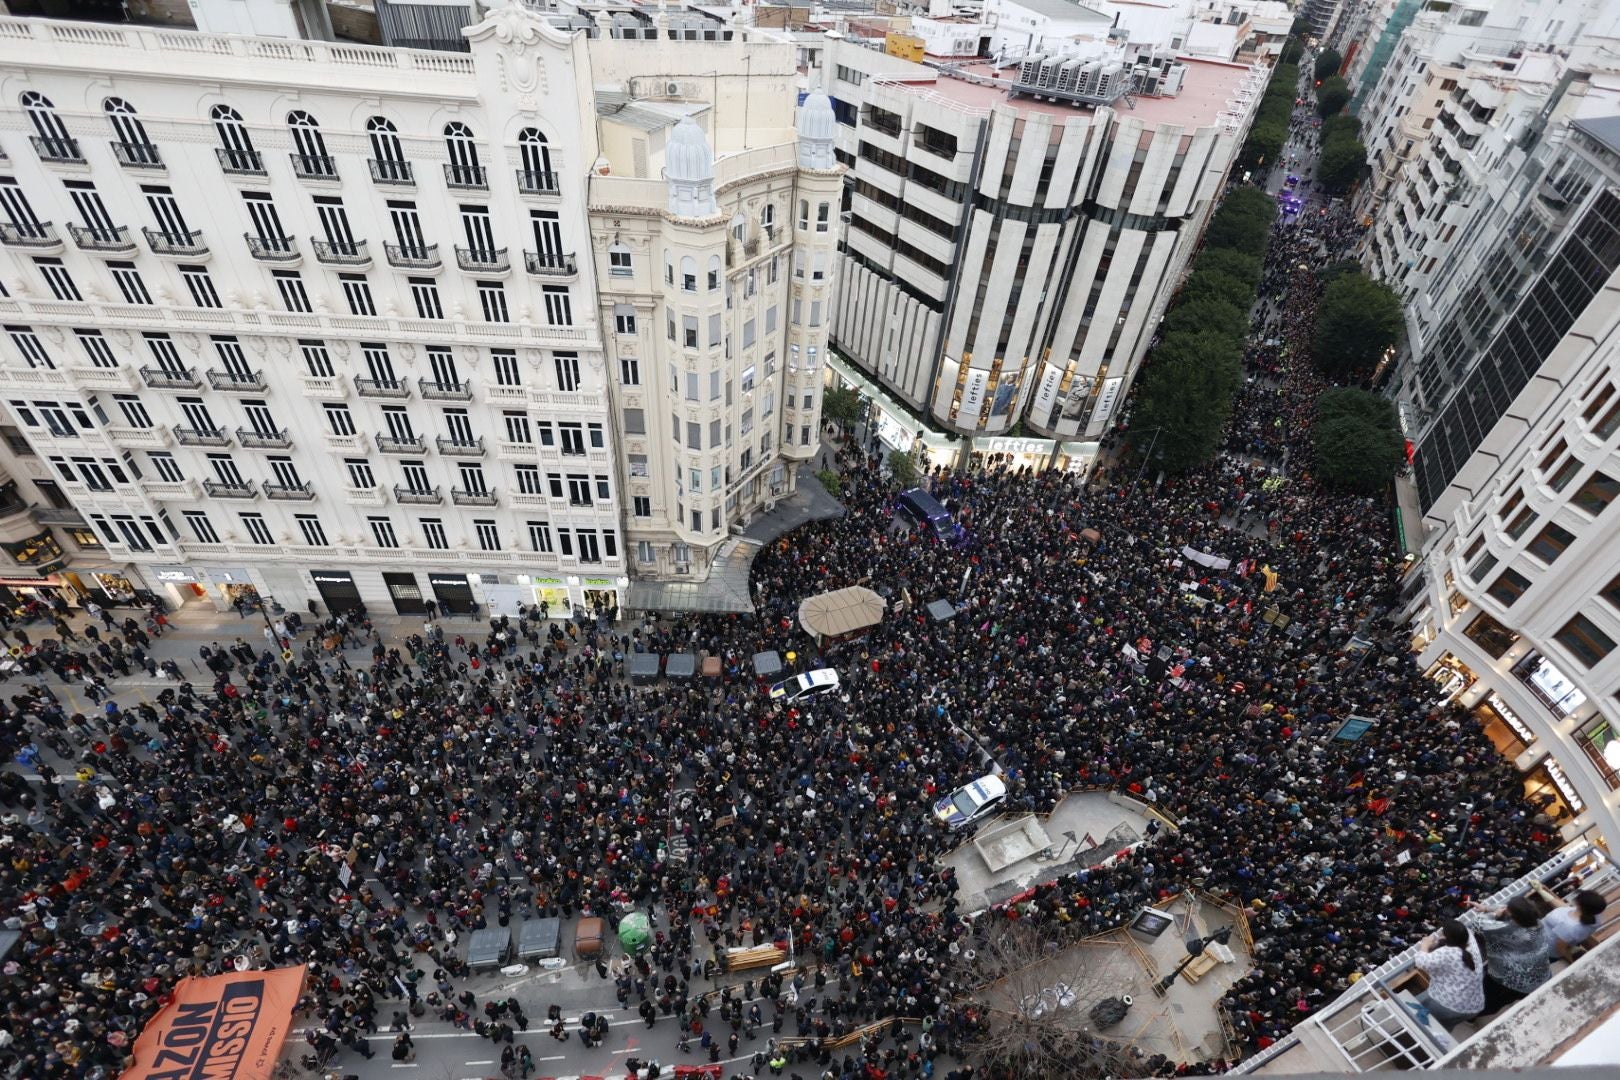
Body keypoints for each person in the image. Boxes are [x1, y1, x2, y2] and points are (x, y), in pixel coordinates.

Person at [1475, 898, 1552, 1012]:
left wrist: (1493, 914)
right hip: (1540, 976)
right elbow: (1511, 909)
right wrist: (1486, 908)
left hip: (1512, 980)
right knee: (1506, 999)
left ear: (1511, 915)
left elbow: (1477, 923)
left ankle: (1475, 1014)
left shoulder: (1507, 930)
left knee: (1490, 999)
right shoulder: (1536, 923)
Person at [1413, 921, 1484, 1026]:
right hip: (1473, 1007)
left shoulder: (1448, 952)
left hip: (1448, 1005)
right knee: (1442, 1028)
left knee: (1413, 1017)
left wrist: (1425, 944)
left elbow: (1421, 961)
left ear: (1446, 938)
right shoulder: (1471, 943)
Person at [1543, 890, 1609, 962]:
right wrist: (1542, 892)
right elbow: (1566, 908)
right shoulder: (1594, 916)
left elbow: (1560, 948)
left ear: (1579, 905)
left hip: (1543, 949)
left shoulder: (1569, 927)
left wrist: (1573, 962)